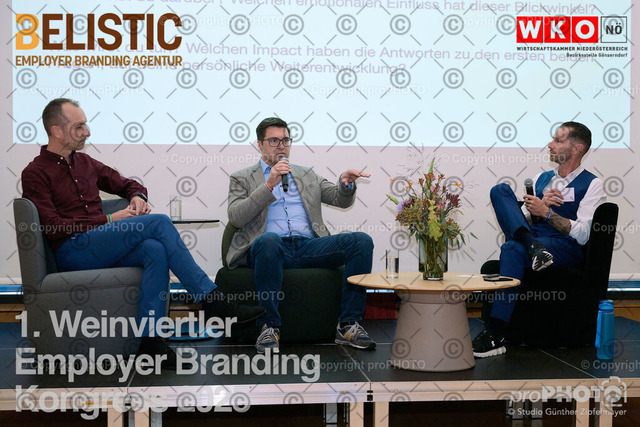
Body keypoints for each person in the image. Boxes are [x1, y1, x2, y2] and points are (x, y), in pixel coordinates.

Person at [21, 98, 264, 369]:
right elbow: (53, 226)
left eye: (85, 125)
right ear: (56, 131)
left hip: (101, 247)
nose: (87, 132)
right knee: (159, 223)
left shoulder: (86, 163)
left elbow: (128, 184)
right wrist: (109, 218)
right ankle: (212, 300)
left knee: (154, 249)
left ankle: (151, 341)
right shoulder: (35, 172)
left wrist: (137, 195)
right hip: (72, 251)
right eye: (79, 127)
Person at [227, 117, 376, 353]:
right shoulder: (242, 177)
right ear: (260, 144)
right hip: (269, 248)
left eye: (285, 140)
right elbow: (236, 217)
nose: (281, 146)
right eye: (274, 140)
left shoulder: (306, 174)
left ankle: (348, 324)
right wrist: (268, 185)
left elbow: (338, 199)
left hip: (308, 247)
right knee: (269, 240)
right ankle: (269, 326)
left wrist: (345, 185)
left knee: (361, 241)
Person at [472, 121, 606, 358]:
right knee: (500, 190)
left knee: (512, 247)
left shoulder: (592, 184)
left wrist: (547, 213)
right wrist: (538, 207)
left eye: (558, 140)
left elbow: (584, 234)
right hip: (534, 239)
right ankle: (531, 246)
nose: (550, 144)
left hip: (563, 246)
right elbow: (521, 219)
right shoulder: (540, 179)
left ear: (577, 148)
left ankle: (495, 330)